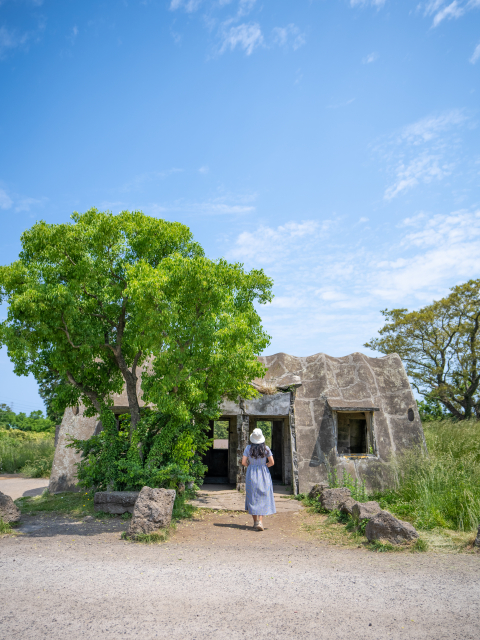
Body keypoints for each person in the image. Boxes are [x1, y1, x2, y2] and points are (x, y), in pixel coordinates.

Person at [241, 427, 276, 531]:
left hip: (251, 473)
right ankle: (260, 521)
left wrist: (251, 466)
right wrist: (264, 465)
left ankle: (255, 522)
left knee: (252, 496)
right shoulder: (266, 449)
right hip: (263, 473)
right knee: (262, 496)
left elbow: (243, 462)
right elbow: (272, 462)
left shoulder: (248, 448)